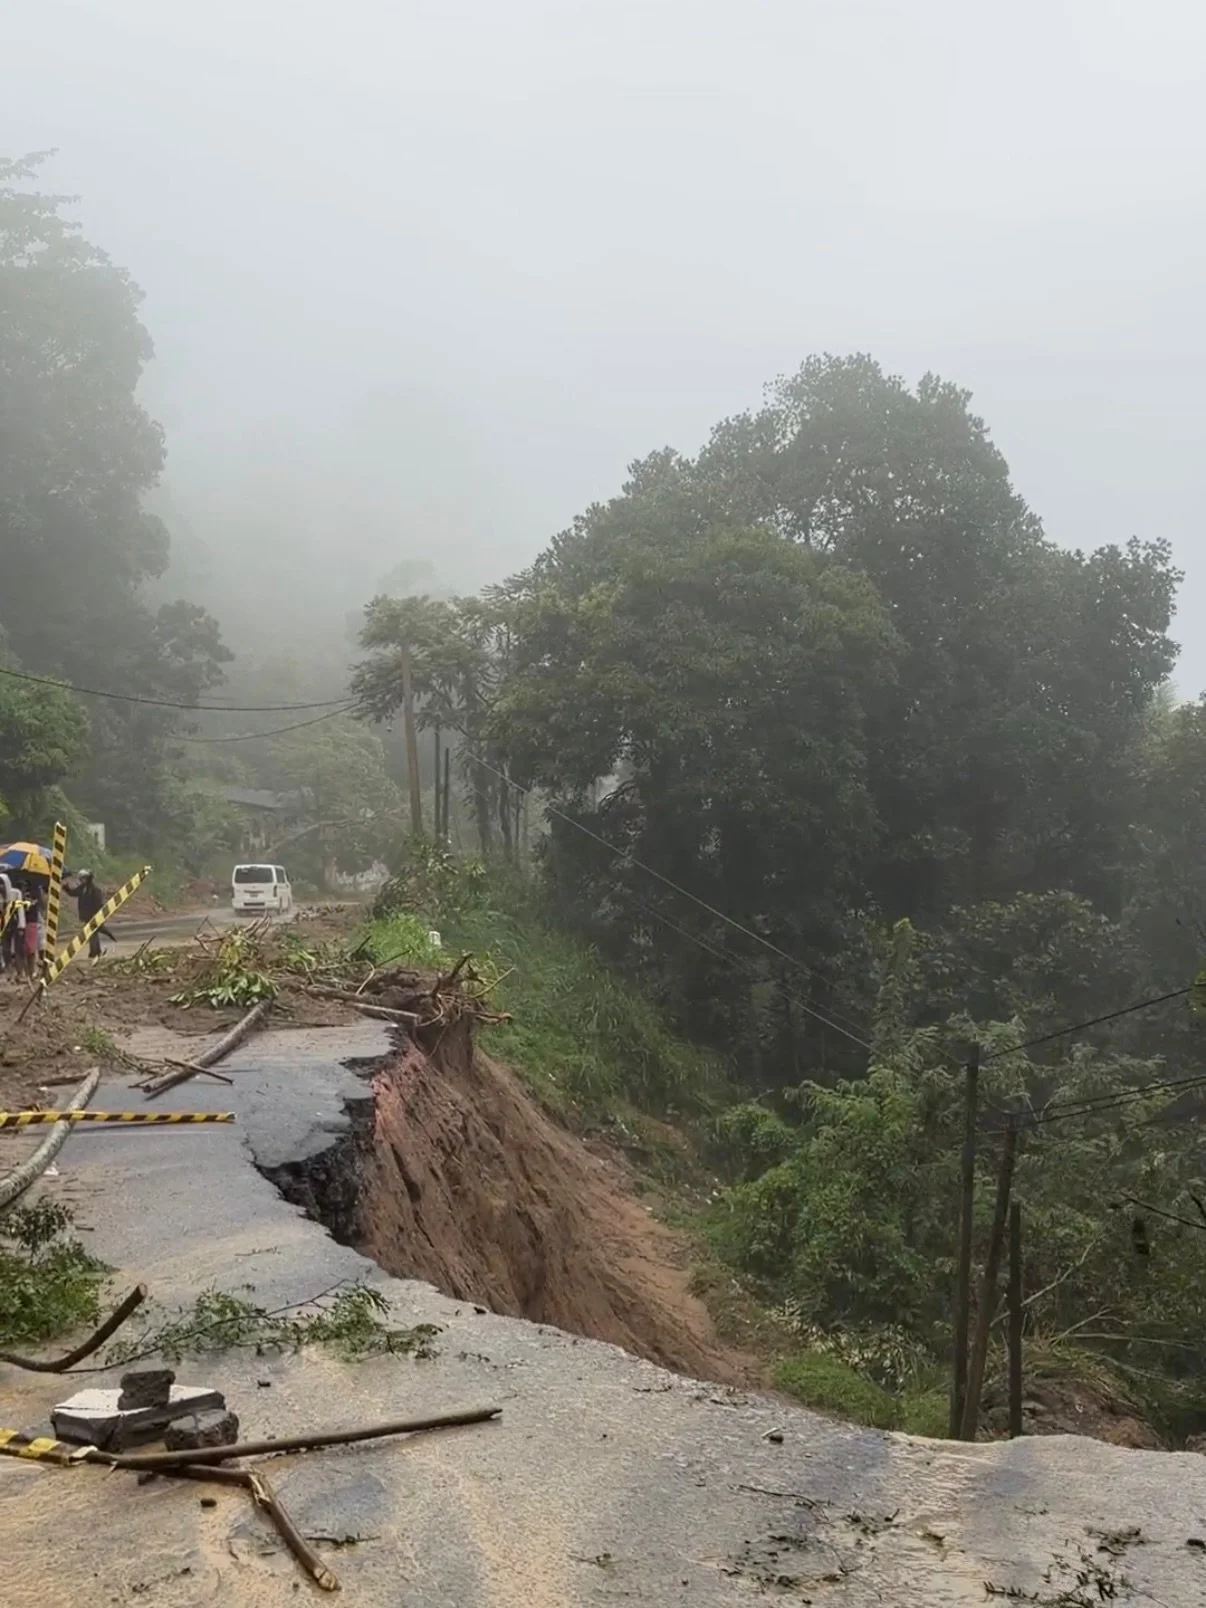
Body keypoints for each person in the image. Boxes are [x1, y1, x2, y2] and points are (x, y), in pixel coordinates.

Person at [68, 869, 110, 960]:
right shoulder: (82, 888)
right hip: (86, 915)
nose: (81, 880)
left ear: (87, 879)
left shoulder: (95, 890)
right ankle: (96, 951)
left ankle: (94, 952)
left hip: (93, 915)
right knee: (92, 933)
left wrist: (97, 916)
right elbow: (73, 893)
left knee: (92, 933)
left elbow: (98, 904)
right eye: (80, 879)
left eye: (83, 878)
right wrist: (66, 888)